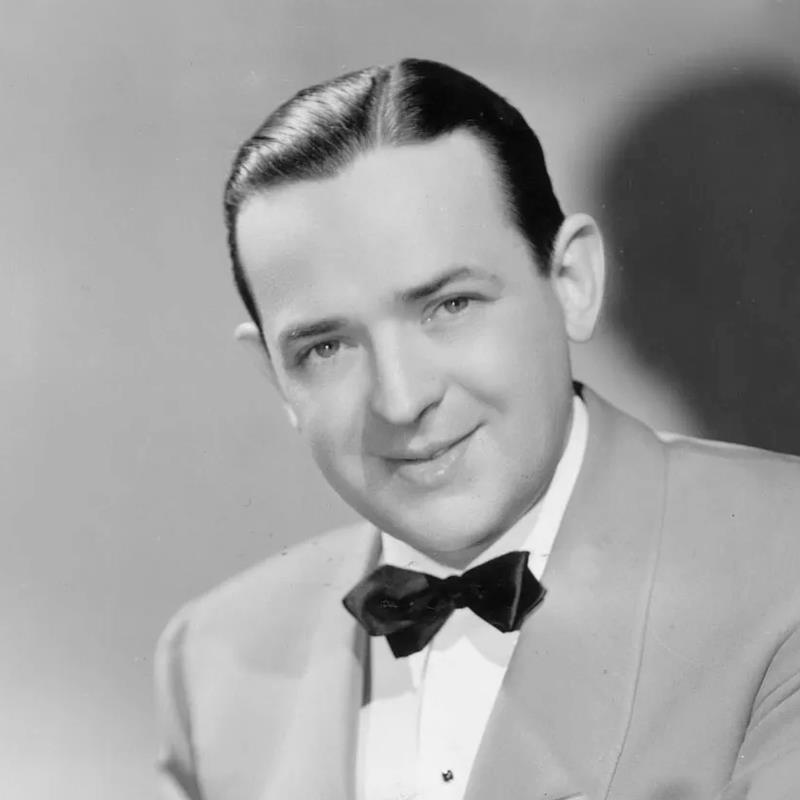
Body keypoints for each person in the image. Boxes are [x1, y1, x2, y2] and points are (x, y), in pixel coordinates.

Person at [155, 58, 800, 800]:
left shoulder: (784, 568)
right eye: (326, 348)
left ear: (573, 282)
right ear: (277, 378)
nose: (401, 400)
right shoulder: (210, 662)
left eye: (449, 306)